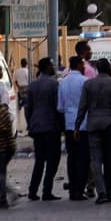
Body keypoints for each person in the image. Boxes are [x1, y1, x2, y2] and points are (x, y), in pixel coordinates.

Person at [76, 59, 111, 203]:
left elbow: (82, 107)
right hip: (110, 124)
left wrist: (77, 125)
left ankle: (102, 193)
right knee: (110, 159)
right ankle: (109, 191)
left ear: (97, 69)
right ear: (110, 69)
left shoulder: (88, 84)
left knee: (96, 159)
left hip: (92, 124)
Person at [25, 57, 62, 201]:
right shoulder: (54, 84)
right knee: (53, 160)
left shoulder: (32, 85)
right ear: (47, 67)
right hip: (51, 127)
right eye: (53, 65)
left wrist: (30, 124)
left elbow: (28, 108)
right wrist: (61, 126)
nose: (54, 68)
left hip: (37, 127)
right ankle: (47, 190)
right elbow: (57, 107)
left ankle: (32, 191)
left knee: (39, 161)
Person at [58, 56, 91, 200]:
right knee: (84, 158)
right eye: (83, 64)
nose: (84, 67)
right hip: (84, 125)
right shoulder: (85, 82)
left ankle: (72, 188)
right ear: (78, 65)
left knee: (72, 157)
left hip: (69, 125)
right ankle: (80, 188)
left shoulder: (63, 83)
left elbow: (60, 107)